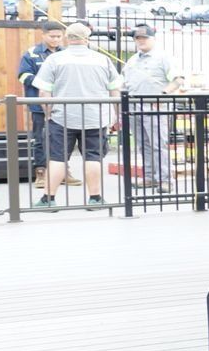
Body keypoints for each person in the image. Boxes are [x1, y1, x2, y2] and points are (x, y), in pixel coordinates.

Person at [32, 21, 120, 209]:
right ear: (87, 38)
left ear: (67, 38)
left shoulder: (55, 59)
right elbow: (115, 90)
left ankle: (48, 199)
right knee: (93, 157)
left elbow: (43, 92)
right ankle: (95, 198)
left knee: (57, 158)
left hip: (62, 116)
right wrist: (115, 115)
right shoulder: (102, 59)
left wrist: (48, 113)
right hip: (95, 117)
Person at [120, 25, 184, 188]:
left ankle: (165, 179)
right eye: (137, 38)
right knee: (143, 145)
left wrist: (162, 95)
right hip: (135, 108)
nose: (141, 41)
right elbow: (125, 83)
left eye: (144, 38)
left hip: (156, 108)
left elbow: (178, 80)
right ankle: (149, 177)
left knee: (158, 145)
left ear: (153, 39)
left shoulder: (163, 58)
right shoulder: (133, 60)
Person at [18, 20, 64, 189]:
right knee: (40, 139)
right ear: (43, 35)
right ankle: (41, 172)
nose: (56, 40)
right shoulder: (31, 54)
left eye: (59, 36)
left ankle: (62, 172)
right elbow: (22, 75)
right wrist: (44, 83)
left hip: (61, 104)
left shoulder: (65, 53)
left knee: (61, 139)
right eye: (52, 36)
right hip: (39, 105)